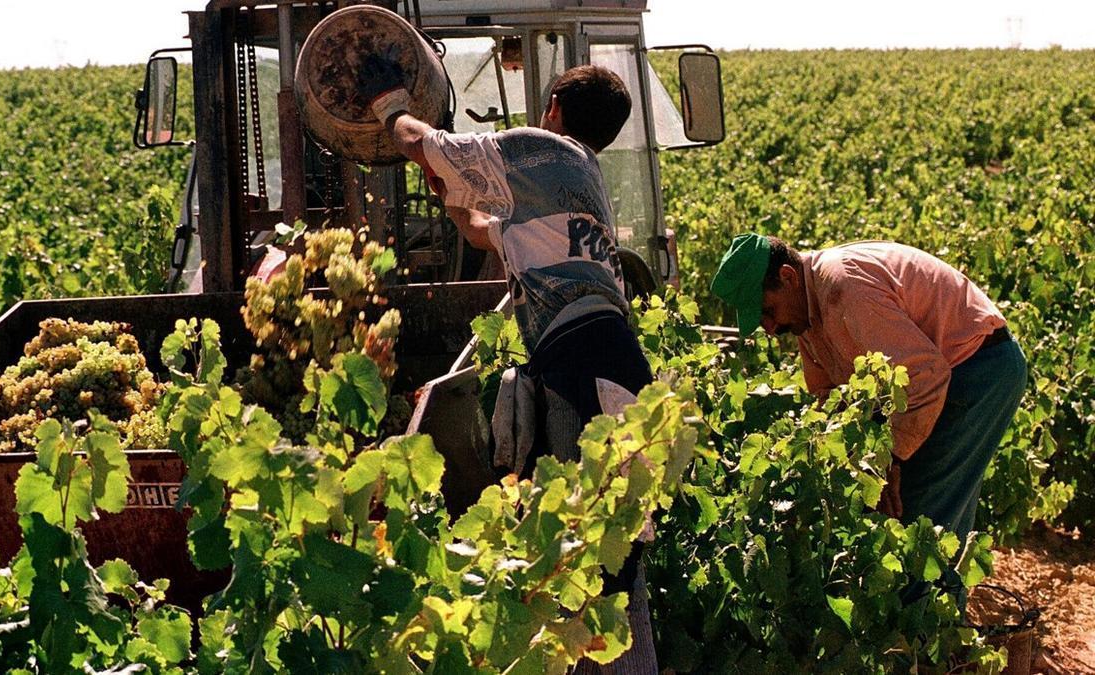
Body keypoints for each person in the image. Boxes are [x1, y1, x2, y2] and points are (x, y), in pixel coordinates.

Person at [360, 57, 656, 672]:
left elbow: (422, 140)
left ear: (553, 111)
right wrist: (446, 188)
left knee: (587, 557)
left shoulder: (545, 151)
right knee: (615, 551)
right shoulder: (571, 188)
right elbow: (477, 230)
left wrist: (389, 103)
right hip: (617, 369)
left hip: (586, 369)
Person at [710, 234, 1027, 594]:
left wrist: (890, 457)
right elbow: (829, 399)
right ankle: (939, 625)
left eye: (767, 311)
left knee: (917, 521)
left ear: (787, 277)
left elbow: (926, 376)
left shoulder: (844, 288)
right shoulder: (806, 314)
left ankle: (919, 639)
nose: (769, 327)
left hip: (977, 372)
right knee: (934, 514)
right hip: (946, 379)